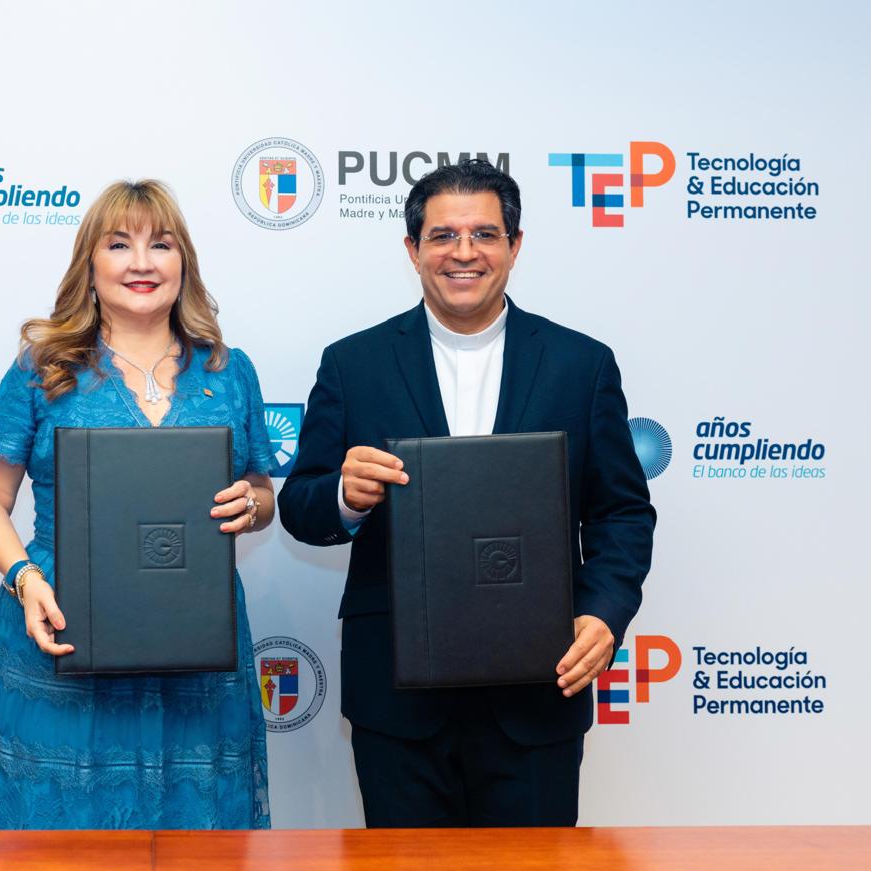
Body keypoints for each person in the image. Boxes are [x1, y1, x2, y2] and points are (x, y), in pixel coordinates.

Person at [278, 160, 655, 828]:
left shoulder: (581, 364)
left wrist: (602, 614)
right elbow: (301, 507)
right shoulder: (353, 363)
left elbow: (621, 512)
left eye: (484, 234)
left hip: (538, 690)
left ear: (514, 245)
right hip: (396, 697)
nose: (464, 252)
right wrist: (345, 496)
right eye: (443, 235)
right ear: (412, 249)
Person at [0, 179, 275, 830]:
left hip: (196, 636)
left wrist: (252, 505)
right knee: (57, 852)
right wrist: (24, 579)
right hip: (61, 626)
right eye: (119, 245)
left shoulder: (229, 371)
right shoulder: (42, 367)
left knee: (198, 851)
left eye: (161, 244)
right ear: (90, 264)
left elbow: (262, 492)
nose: (141, 262)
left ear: (183, 263)